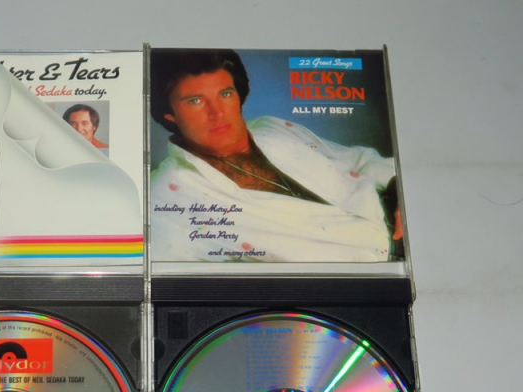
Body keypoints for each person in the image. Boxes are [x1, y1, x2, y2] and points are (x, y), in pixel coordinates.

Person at [150, 49, 400, 263]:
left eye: (225, 94)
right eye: (195, 101)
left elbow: (361, 160)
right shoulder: (163, 195)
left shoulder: (271, 127)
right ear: (169, 115)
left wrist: (397, 191)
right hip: (367, 282)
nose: (218, 112)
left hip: (405, 231)